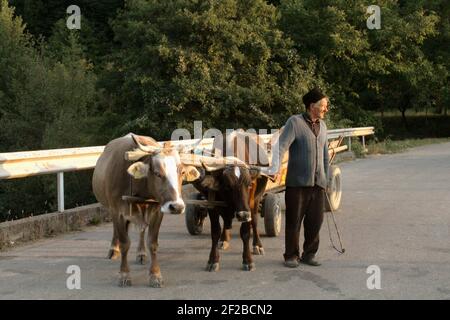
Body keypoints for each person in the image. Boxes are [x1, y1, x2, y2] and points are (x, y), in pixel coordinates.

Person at [261, 87, 330, 268]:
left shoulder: (322, 126)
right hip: (297, 184)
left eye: (326, 106)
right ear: (311, 105)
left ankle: (309, 254)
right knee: (294, 221)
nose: (325, 109)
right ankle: (291, 255)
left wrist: (326, 180)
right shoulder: (295, 122)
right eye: (323, 105)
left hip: (318, 184)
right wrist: (274, 168)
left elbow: (325, 156)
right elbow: (280, 147)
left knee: (316, 221)